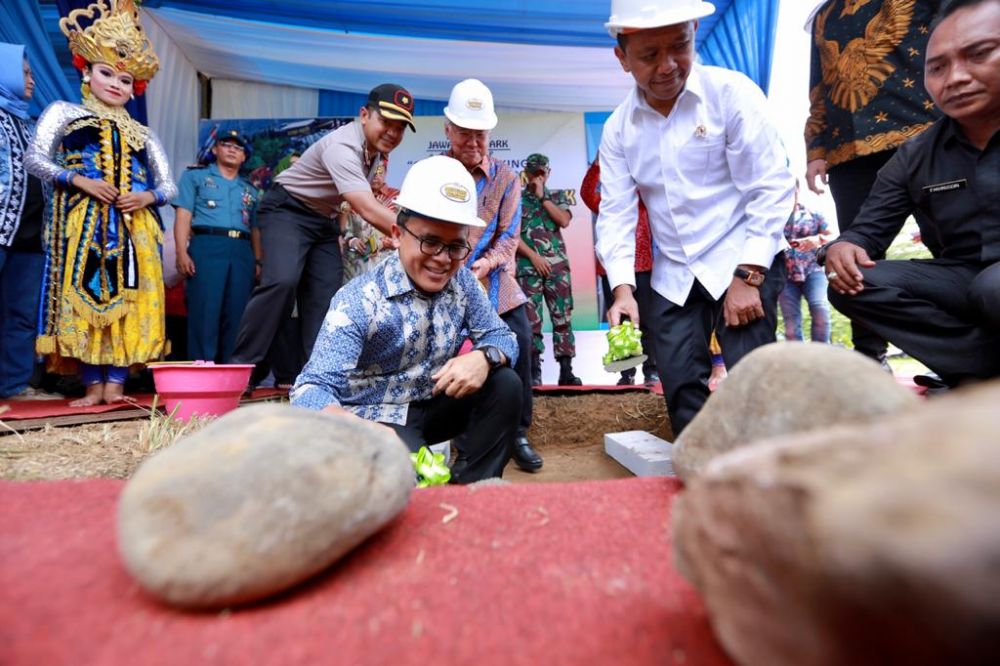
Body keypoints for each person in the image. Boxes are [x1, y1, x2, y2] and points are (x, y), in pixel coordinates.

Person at [597, 0, 795, 435]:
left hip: (742, 256)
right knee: (680, 384)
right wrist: (623, 291)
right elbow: (615, 215)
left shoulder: (732, 94)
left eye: (680, 46)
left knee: (750, 379)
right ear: (622, 58)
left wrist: (749, 276)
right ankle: (701, 472)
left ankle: (762, 471)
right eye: (649, 55)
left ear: (694, 34)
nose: (668, 66)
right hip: (675, 273)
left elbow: (770, 187)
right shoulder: (618, 130)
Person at [291, 155, 521, 483]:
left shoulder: (464, 282)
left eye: (456, 246)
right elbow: (309, 390)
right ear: (398, 234)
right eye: (430, 242)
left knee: (505, 384)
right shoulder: (359, 300)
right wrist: (364, 430)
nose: (442, 260)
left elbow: (503, 337)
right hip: (379, 418)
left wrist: (484, 357)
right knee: (407, 488)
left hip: (435, 402)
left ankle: (474, 489)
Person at [820, 0, 1000, 388]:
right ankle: (982, 371)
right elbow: (867, 231)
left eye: (979, 54)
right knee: (855, 283)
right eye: (937, 68)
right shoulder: (916, 154)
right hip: (964, 278)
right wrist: (843, 247)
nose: (955, 77)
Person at [25, 0, 176, 406]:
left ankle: (118, 385)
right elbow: (34, 159)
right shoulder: (64, 113)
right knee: (85, 300)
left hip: (134, 229)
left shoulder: (143, 132)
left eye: (125, 79)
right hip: (83, 223)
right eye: (107, 73)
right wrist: (78, 180)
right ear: (86, 72)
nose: (115, 84)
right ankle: (93, 386)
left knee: (132, 301)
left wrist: (146, 196)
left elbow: (168, 187)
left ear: (135, 87)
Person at [231, 83, 416, 387]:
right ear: (364, 115)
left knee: (327, 298)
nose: (392, 133)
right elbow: (366, 207)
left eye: (400, 128)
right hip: (287, 209)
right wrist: (413, 237)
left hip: (323, 221)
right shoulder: (343, 146)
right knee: (282, 281)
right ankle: (243, 371)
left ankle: (316, 378)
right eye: (386, 122)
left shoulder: (375, 153)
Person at [805, 0, 941, 367]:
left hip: (926, 133)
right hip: (848, 151)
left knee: (951, 245)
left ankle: (969, 357)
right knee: (854, 259)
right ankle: (869, 358)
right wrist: (816, 148)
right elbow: (818, 87)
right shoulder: (822, 15)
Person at [443, 78, 543, 473]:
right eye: (464, 132)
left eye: (479, 134)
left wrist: (484, 266)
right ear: (448, 130)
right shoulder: (436, 173)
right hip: (445, 283)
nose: (472, 141)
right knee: (457, 358)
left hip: (496, 281)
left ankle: (518, 433)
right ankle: (464, 443)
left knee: (520, 343)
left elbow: (509, 238)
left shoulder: (506, 178)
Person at [0, 45, 59, 401]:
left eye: (32, 73)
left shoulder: (30, 123)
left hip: (31, 237)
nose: (31, 79)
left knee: (20, 315)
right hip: (1, 231)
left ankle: (13, 384)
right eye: (24, 73)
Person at [173, 130, 260, 363]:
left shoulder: (250, 190)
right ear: (214, 150)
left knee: (237, 313)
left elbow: (255, 229)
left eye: (238, 147)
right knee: (205, 310)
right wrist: (182, 252)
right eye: (226, 144)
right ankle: (202, 369)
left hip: (242, 251)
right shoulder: (195, 178)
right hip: (207, 245)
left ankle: (231, 371)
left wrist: (258, 260)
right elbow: (183, 215)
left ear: (244, 157)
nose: (232, 149)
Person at [581, 154, 658, 387]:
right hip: (611, 271)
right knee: (622, 321)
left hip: (643, 267)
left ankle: (651, 370)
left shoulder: (643, 201)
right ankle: (627, 372)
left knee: (647, 321)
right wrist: (598, 163)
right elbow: (586, 192)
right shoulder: (606, 202)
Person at [516, 153, 583, 387]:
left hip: (557, 270)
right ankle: (534, 371)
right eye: (533, 172)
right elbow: (511, 236)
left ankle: (566, 370)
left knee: (562, 318)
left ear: (547, 173)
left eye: (541, 173)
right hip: (528, 268)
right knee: (531, 321)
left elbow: (563, 220)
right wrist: (534, 257)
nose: (536, 176)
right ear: (526, 173)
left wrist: (543, 196)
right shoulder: (516, 200)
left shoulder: (557, 196)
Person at [780, 181, 832, 343]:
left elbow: (832, 236)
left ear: (797, 190)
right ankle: (798, 364)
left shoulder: (813, 213)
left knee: (820, 309)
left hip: (813, 271)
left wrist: (816, 240)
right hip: (785, 275)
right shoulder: (774, 216)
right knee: (790, 326)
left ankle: (821, 357)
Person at [340, 161, 399, 281]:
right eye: (372, 171)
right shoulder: (353, 197)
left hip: (387, 262)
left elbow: (404, 230)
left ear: (386, 172)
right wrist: (352, 240)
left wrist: (383, 243)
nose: (376, 176)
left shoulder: (397, 197)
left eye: (380, 171)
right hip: (357, 263)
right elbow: (343, 229)